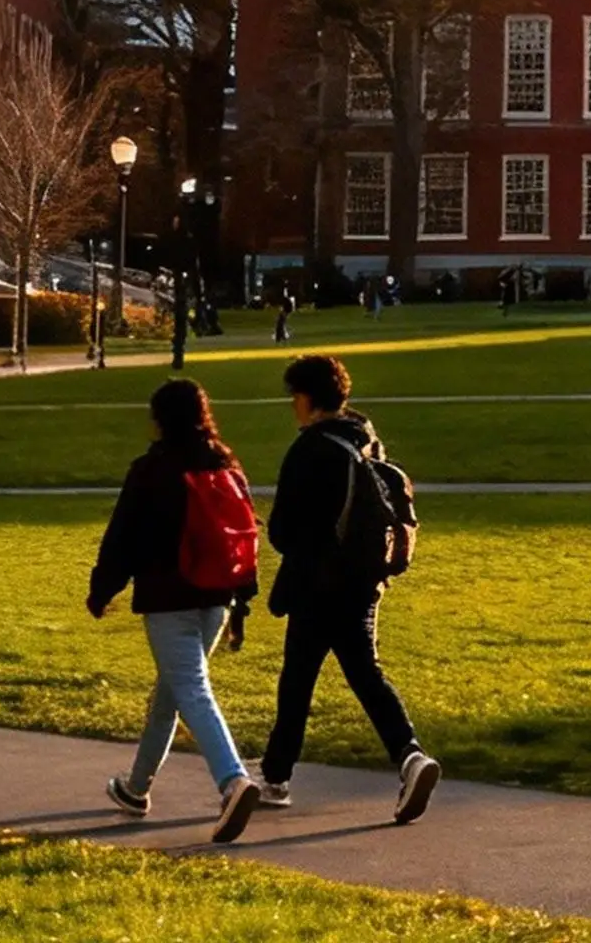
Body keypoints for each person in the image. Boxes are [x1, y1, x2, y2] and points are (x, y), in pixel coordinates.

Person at [258, 353, 439, 822]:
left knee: (297, 681)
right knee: (367, 675)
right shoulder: (365, 441)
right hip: (363, 582)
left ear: (305, 398)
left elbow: (282, 531)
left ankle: (276, 779)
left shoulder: (308, 450)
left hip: (317, 584)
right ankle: (410, 755)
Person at [89, 376, 266, 840]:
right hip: (216, 597)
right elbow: (245, 533)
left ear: (159, 419)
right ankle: (135, 787)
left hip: (169, 598)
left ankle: (233, 782)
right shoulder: (225, 462)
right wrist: (243, 595)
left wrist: (101, 590)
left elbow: (121, 537)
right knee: (170, 693)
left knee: (190, 689)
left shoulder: (152, 469)